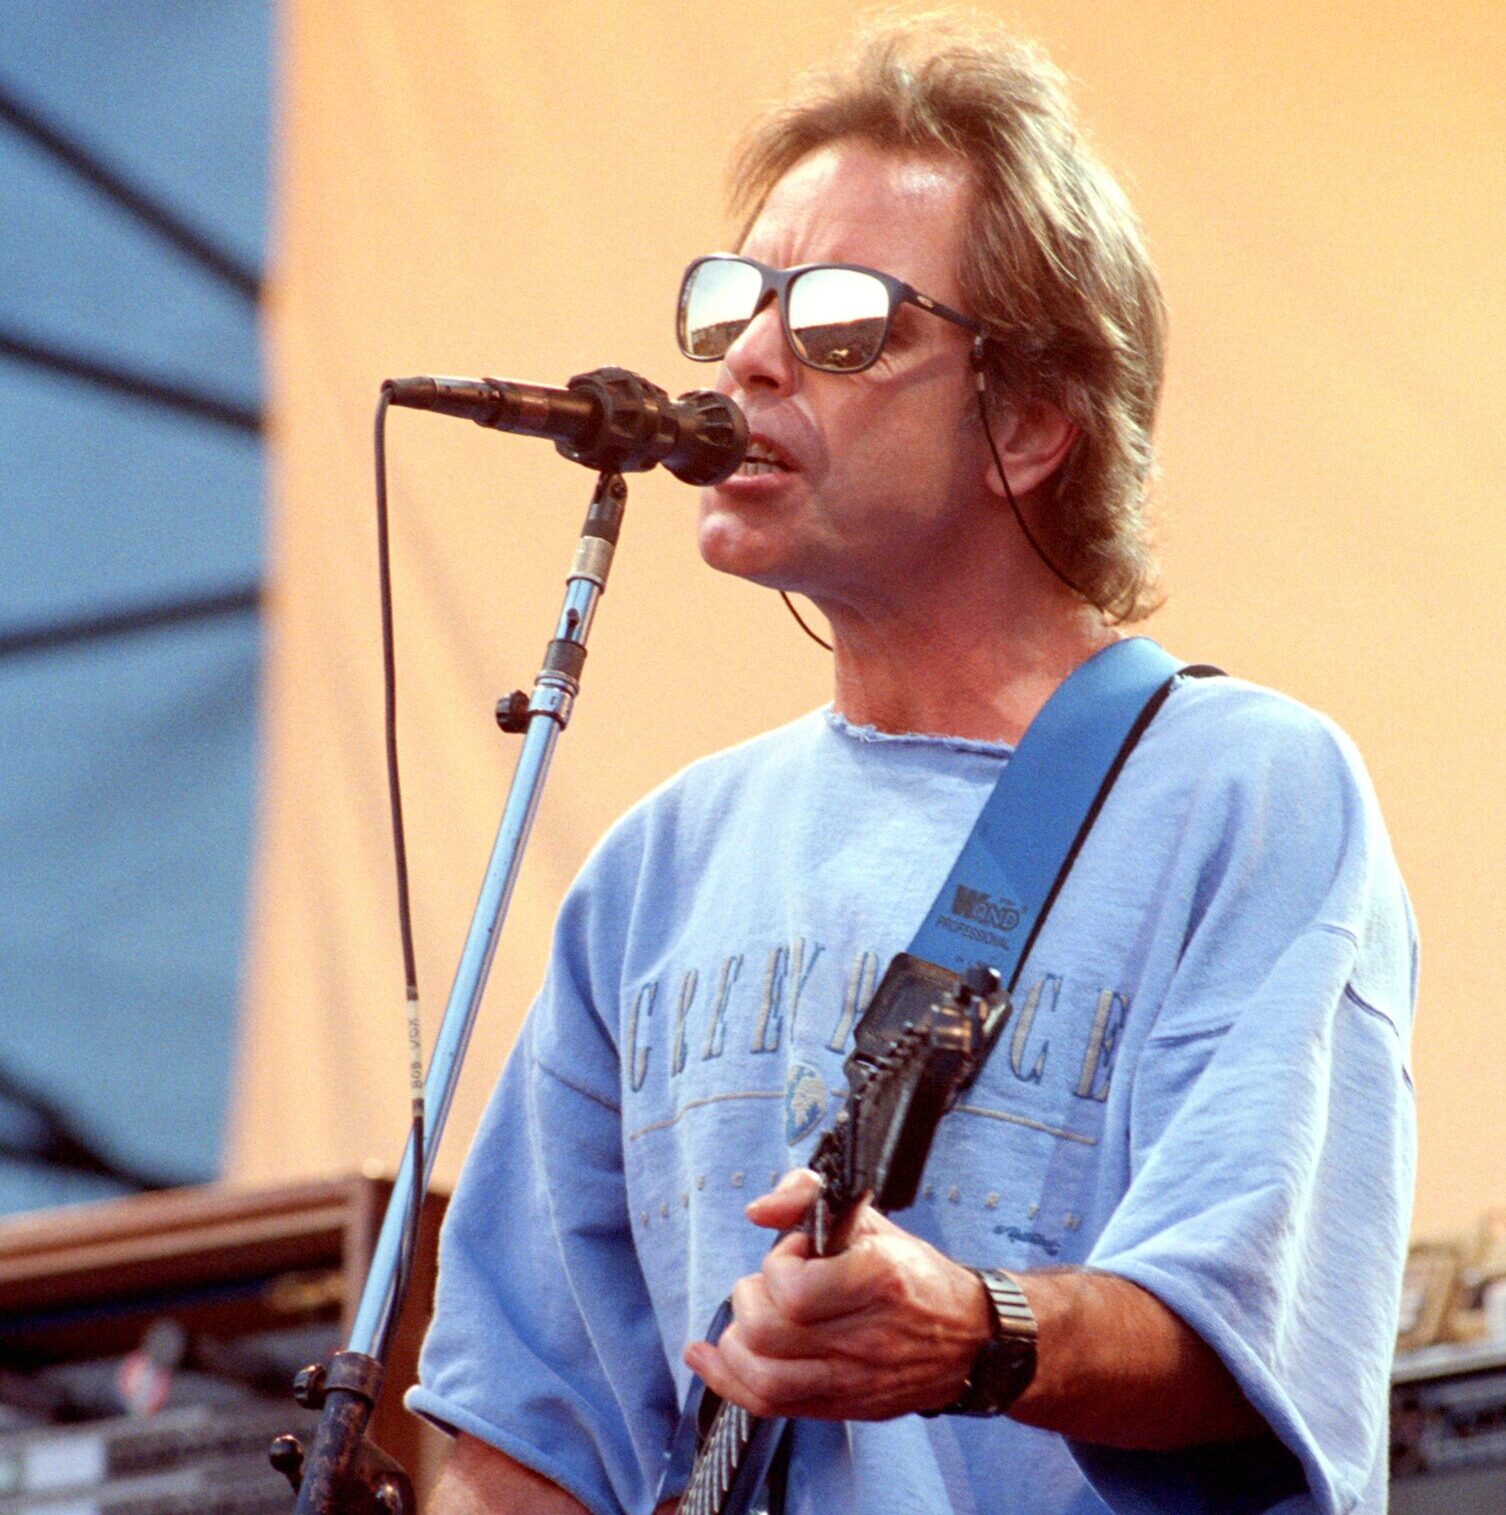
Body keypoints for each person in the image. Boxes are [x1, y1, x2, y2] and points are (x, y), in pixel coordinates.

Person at [410, 15, 1416, 1515]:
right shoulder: (657, 862)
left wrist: (972, 1331)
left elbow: (1258, 1335)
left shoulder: (1244, 794)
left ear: (1022, 424)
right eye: (736, 303)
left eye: (835, 320)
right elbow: (520, 1424)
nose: (748, 355)